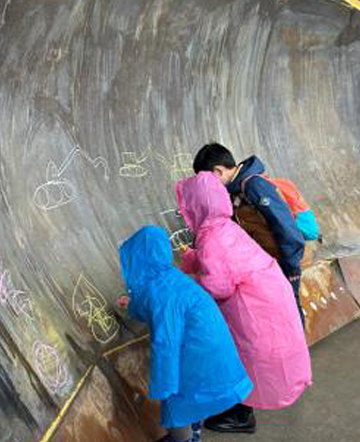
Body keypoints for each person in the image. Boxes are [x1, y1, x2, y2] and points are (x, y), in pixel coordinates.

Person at [176, 172, 311, 434]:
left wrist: (186, 282)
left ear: (197, 205)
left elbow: (218, 285)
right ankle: (239, 409)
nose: (184, 212)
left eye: (187, 205)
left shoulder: (211, 237)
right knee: (253, 354)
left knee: (244, 355)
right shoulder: (225, 227)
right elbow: (226, 262)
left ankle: (239, 415)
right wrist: (194, 258)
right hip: (270, 299)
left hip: (255, 310)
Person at [118, 226, 254, 442]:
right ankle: (193, 431)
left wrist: (163, 387)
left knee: (176, 407)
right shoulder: (169, 279)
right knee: (191, 401)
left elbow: (166, 345)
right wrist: (133, 305)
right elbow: (150, 305)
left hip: (198, 361)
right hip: (214, 357)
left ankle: (185, 439)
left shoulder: (160, 293)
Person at [192, 144, 305, 310]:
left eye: (207, 180)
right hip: (266, 267)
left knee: (289, 311)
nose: (207, 187)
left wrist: (291, 268)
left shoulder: (254, 186)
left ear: (218, 172)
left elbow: (286, 228)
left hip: (281, 264)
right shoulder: (233, 192)